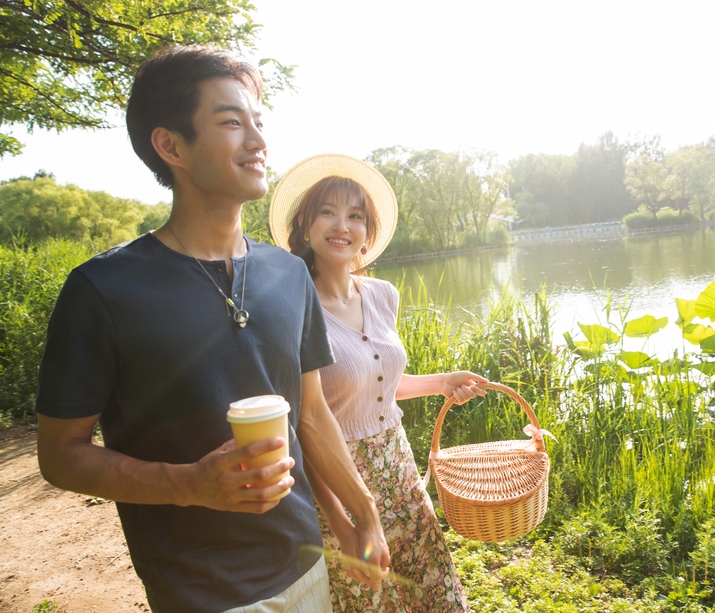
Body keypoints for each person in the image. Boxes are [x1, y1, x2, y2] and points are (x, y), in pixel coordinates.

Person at [34, 46, 388, 613]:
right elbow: (60, 455)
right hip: (200, 590)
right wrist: (188, 485)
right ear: (171, 145)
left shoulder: (289, 273)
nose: (257, 140)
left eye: (258, 122)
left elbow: (312, 413)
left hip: (303, 564)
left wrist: (363, 516)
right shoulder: (102, 290)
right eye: (230, 122)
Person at [268, 154, 486, 612]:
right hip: (339, 480)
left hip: (399, 468)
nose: (341, 225)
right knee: (369, 600)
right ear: (305, 225)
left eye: (355, 215)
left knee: (434, 591)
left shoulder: (383, 294)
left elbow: (376, 386)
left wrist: (444, 382)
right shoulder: (289, 309)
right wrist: (342, 523)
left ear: (367, 234)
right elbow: (301, 426)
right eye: (327, 211)